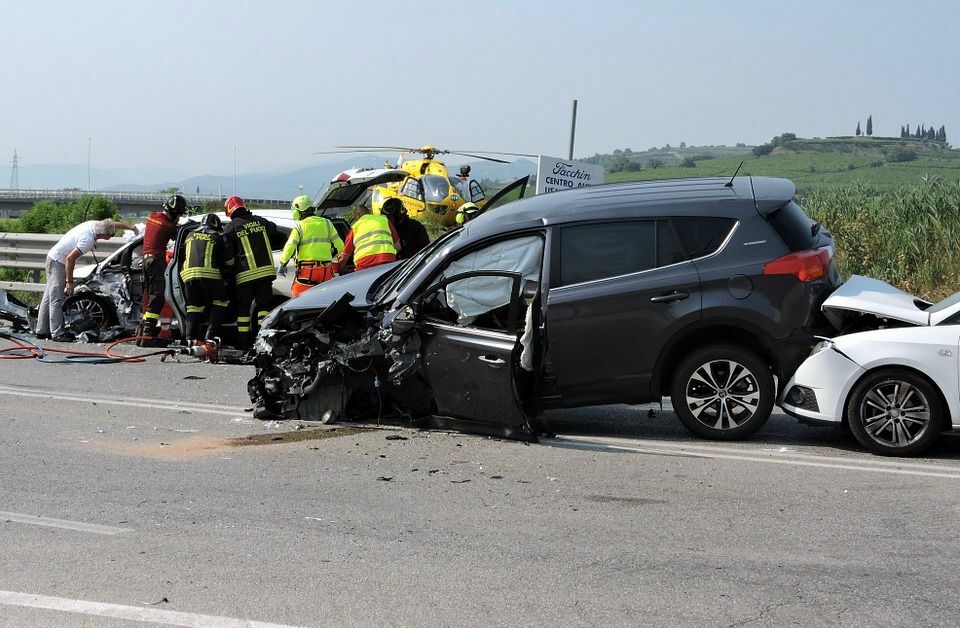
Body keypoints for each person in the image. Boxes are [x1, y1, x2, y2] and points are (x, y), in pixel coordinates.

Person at [36, 218, 137, 342]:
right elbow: (70, 259)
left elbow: (111, 225)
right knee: (57, 298)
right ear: (103, 234)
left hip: (55, 258)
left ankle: (41, 330)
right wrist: (70, 282)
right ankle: (57, 333)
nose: (111, 237)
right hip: (58, 262)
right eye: (110, 235)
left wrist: (132, 227)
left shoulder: (95, 225)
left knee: (49, 296)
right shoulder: (87, 240)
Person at [221, 195, 284, 349]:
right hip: (265, 274)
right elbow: (275, 230)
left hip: (245, 276)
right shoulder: (260, 221)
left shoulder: (230, 228)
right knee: (264, 308)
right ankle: (263, 341)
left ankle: (243, 343)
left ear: (229, 210)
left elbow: (227, 256)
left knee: (243, 310)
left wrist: (228, 270)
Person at [139, 194, 188, 343]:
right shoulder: (168, 226)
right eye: (178, 215)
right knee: (157, 297)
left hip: (146, 261)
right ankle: (148, 335)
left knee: (149, 297)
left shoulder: (152, 216)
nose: (178, 219)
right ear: (173, 213)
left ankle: (142, 334)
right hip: (156, 262)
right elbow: (178, 238)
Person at [277, 194, 344, 297]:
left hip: (307, 272)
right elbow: (340, 246)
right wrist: (329, 255)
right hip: (326, 270)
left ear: (298, 211)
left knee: (299, 298)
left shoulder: (299, 226)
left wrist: (282, 263)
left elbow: (290, 246)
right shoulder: (327, 223)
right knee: (324, 298)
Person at [179, 213, 230, 344]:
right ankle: (210, 336)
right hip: (209, 274)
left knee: (194, 307)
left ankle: (189, 338)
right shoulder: (217, 237)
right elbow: (228, 261)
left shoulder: (189, 235)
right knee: (221, 301)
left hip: (188, 275)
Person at [337, 202, 401, 271]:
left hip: (365, 263)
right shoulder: (384, 220)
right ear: (369, 212)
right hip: (388, 259)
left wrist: (340, 269)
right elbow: (398, 246)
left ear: (357, 215)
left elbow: (345, 255)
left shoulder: (355, 227)